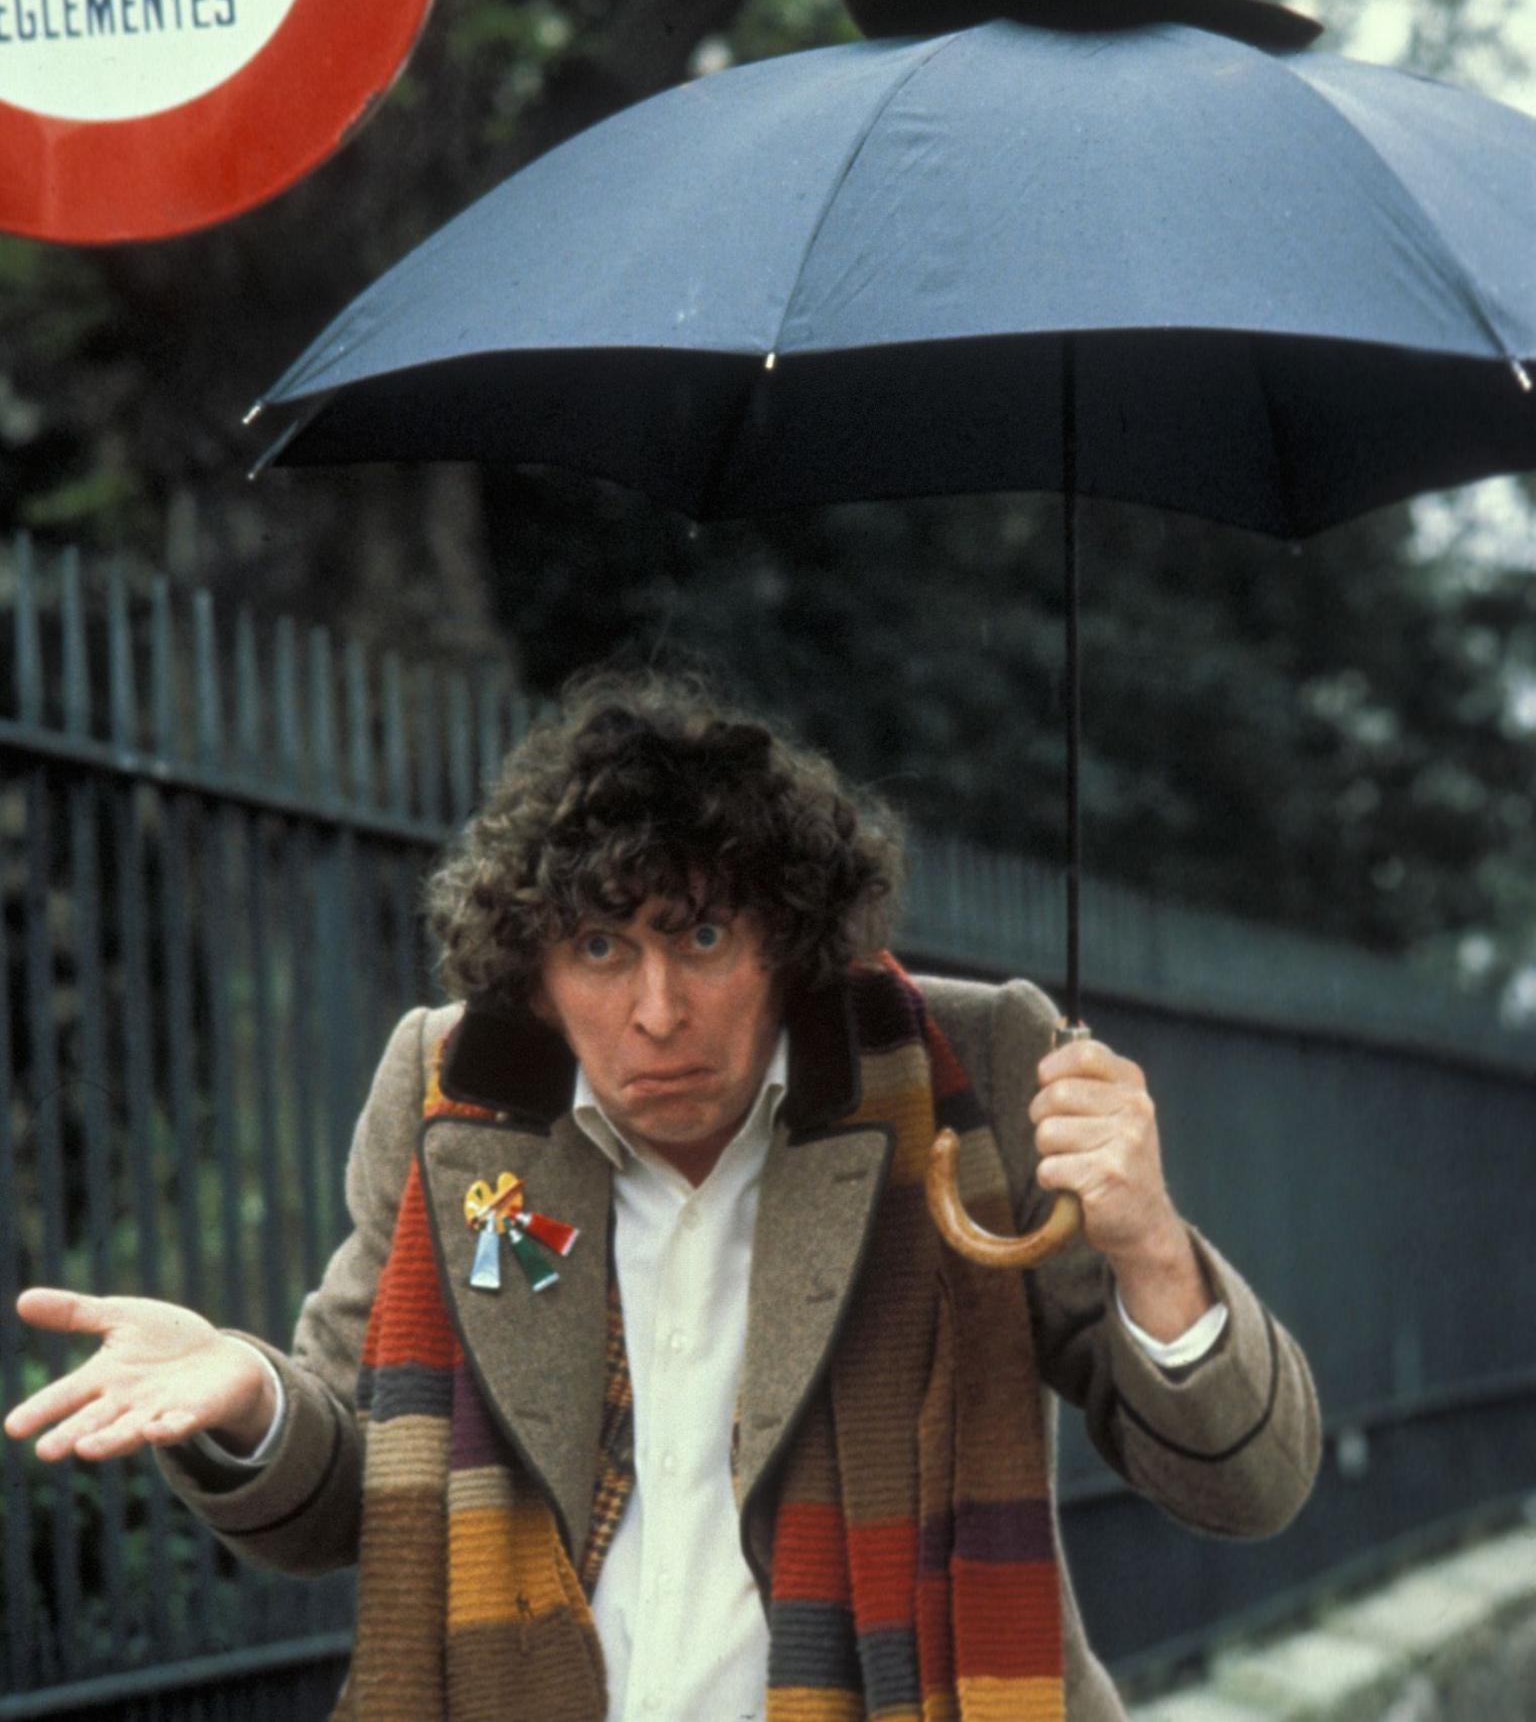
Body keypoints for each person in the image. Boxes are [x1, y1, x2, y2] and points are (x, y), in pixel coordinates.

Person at [7, 672, 1320, 1722]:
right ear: (533, 963)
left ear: (790, 935)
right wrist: (245, 1395)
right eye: (599, 946)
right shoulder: (450, 1091)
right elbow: (360, 1486)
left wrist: (1150, 1243)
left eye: (702, 937)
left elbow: (1247, 1488)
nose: (656, 1010)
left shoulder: (972, 1070)